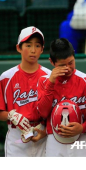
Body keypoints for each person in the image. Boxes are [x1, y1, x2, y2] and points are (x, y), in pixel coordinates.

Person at [37, 38, 86, 157]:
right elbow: (43, 112)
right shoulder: (44, 81)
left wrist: (83, 127)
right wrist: (51, 82)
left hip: (82, 138)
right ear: (52, 62)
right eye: (62, 65)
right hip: (54, 139)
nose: (68, 68)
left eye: (71, 62)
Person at [0, 26, 51, 157]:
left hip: (43, 134)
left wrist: (45, 129)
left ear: (42, 49)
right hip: (17, 137)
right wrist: (11, 115)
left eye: (37, 46)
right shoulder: (6, 77)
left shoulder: (49, 76)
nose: (33, 50)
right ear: (19, 48)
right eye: (28, 45)